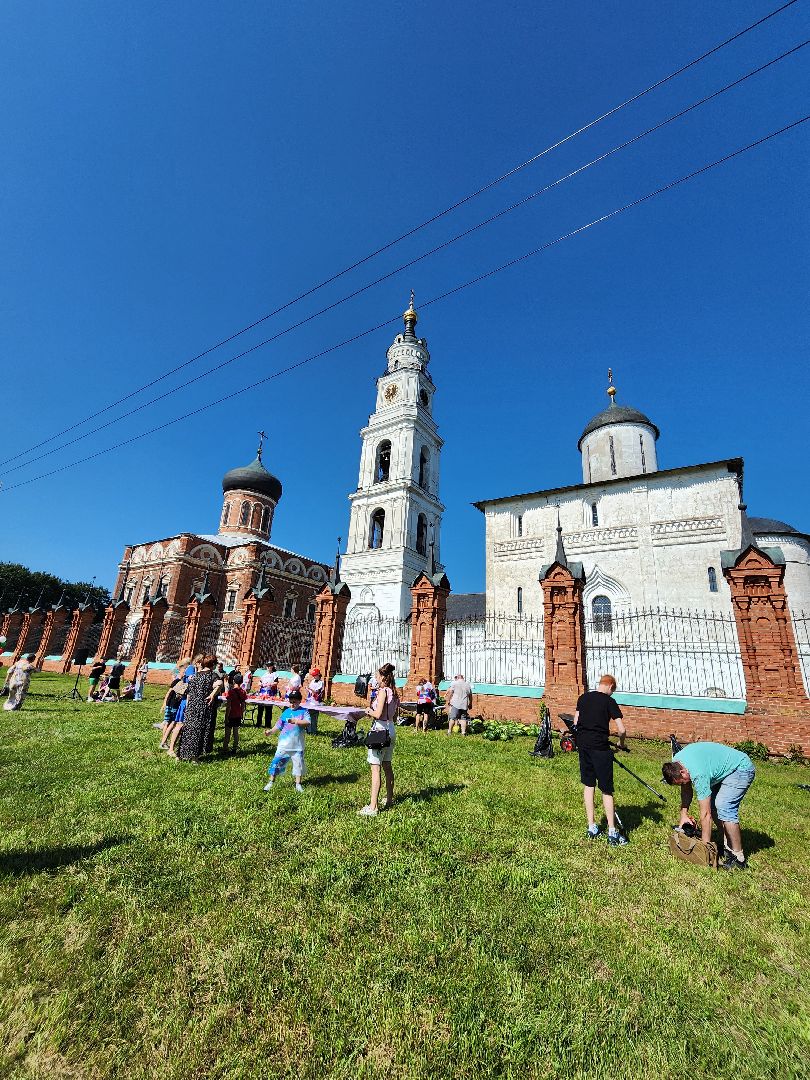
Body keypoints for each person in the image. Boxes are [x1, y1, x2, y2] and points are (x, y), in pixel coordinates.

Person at [662, 742, 756, 871]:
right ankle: (726, 842)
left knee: (724, 806)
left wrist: (704, 849)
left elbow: (706, 815)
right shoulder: (676, 762)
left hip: (740, 768)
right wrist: (683, 815)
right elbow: (686, 790)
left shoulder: (698, 774)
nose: (684, 784)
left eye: (682, 781)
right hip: (721, 769)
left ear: (683, 772)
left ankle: (738, 858)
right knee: (714, 806)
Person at [572, 674, 628, 845]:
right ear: (610, 686)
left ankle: (592, 826)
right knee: (606, 789)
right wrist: (620, 743)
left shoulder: (583, 698)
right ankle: (612, 831)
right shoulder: (609, 702)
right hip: (601, 749)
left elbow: (575, 723)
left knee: (589, 785)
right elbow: (622, 730)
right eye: (613, 691)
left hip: (584, 747)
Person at [358, 663, 399, 816]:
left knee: (376, 768)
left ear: (382, 677)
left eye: (376, 677)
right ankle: (389, 799)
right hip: (391, 729)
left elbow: (378, 713)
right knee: (387, 765)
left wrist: (368, 710)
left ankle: (373, 807)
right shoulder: (395, 692)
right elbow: (393, 714)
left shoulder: (383, 692)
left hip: (380, 730)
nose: (375, 679)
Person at [175, 655, 224, 763]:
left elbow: (189, 693)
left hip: (191, 706)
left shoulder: (195, 676)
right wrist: (212, 695)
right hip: (203, 707)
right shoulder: (212, 675)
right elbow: (219, 684)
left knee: (187, 730)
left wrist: (187, 707)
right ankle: (194, 758)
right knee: (199, 731)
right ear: (213, 665)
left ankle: (180, 755)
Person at [264, 688, 311, 792]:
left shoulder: (304, 711)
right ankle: (271, 782)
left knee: (298, 765)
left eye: (294, 702)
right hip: (284, 745)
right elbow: (278, 725)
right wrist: (270, 732)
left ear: (299, 701)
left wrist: (296, 721)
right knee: (276, 762)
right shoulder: (286, 712)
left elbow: (308, 722)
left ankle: (298, 784)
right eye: (290, 702)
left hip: (297, 745)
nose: (292, 704)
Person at [159, 674, 187, 750]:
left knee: (168, 722)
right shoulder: (179, 682)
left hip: (171, 705)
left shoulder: (178, 681)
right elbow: (169, 692)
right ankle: (164, 742)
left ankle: (164, 741)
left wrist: (165, 703)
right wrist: (165, 703)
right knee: (171, 723)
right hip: (173, 705)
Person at [222, 673, 248, 754]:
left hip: (231, 715)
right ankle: (235, 748)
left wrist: (226, 717)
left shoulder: (231, 692)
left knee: (227, 733)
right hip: (238, 715)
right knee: (236, 732)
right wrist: (241, 714)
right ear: (242, 682)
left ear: (233, 681)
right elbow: (243, 705)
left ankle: (225, 749)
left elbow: (228, 706)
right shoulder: (243, 692)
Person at [256, 664, 279, 729]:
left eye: (270, 666)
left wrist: (270, 684)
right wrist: (261, 684)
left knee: (268, 709)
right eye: (267, 666)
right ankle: (258, 723)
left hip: (270, 693)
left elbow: (276, 683)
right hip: (262, 692)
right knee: (260, 709)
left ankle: (267, 724)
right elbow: (259, 682)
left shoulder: (275, 674)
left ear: (272, 667)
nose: (268, 667)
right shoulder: (264, 674)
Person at [304, 667, 324, 735]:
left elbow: (317, 692)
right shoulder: (312, 681)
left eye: (315, 675)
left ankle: (314, 730)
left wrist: (310, 689)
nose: (314, 677)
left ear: (318, 675)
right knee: (308, 715)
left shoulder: (321, 683)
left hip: (316, 702)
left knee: (314, 717)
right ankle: (308, 730)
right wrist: (307, 689)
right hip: (310, 701)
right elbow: (310, 691)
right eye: (313, 675)